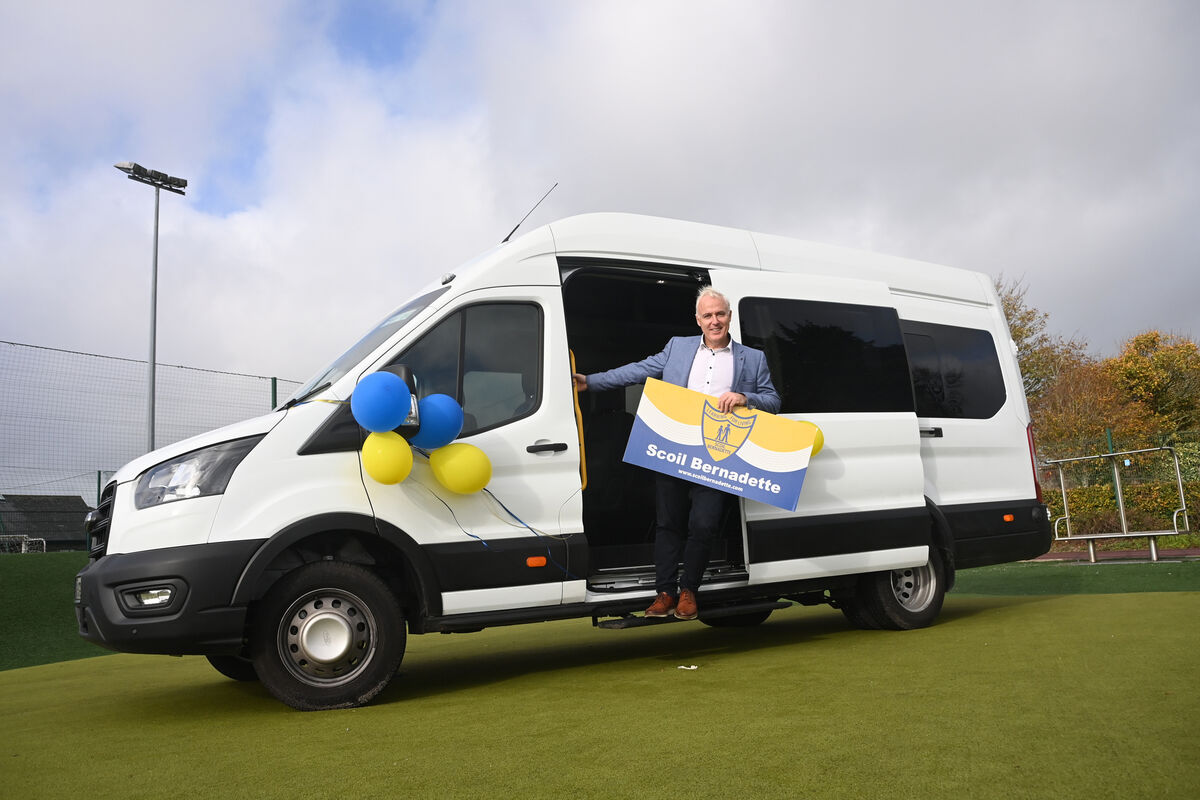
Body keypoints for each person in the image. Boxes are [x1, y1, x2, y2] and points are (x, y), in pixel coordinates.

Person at [573, 287, 780, 620]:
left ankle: (689, 591)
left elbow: (772, 400)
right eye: (708, 315)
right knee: (669, 523)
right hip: (674, 445)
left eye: (720, 314)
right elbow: (637, 371)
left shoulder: (752, 358)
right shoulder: (677, 347)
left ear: (730, 316)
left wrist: (744, 396)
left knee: (704, 524)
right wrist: (592, 382)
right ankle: (665, 592)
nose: (715, 321)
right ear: (698, 320)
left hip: (718, 452)